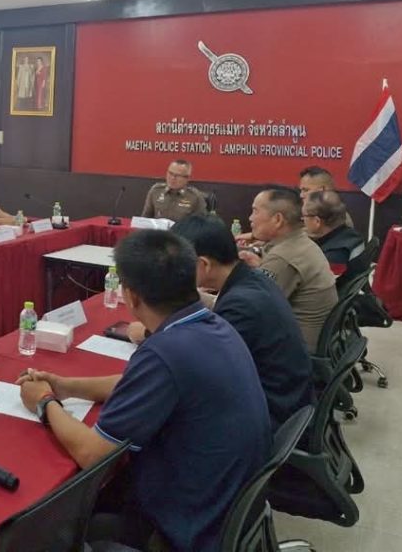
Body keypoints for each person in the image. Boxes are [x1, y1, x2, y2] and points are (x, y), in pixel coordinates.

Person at [18, 230, 270, 552]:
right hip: (221, 502)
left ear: (132, 296)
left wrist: (45, 402)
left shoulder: (165, 351)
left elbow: (94, 455)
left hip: (191, 524)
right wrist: (66, 386)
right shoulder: (210, 325)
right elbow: (133, 383)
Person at [170, 215, 314, 431]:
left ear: (203, 264)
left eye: (177, 265)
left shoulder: (241, 306)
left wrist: (150, 333)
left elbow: (201, 373)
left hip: (270, 411)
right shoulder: (252, 279)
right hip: (287, 395)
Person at [239, 187, 338, 349]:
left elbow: (248, 312)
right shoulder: (301, 242)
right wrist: (261, 266)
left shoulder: (283, 258)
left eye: (255, 211)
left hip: (291, 350)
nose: (250, 218)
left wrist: (203, 297)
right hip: (311, 340)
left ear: (277, 219)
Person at [304, 190, 367, 282]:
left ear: (317, 221)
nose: (302, 219)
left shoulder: (334, 256)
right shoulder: (352, 236)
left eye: (304, 216)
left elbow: (317, 286)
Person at [140, 159, 207, 221]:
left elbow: (202, 225)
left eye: (177, 175)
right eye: (170, 173)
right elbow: (145, 219)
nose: (172, 178)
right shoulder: (156, 191)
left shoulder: (195, 197)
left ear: (187, 178)